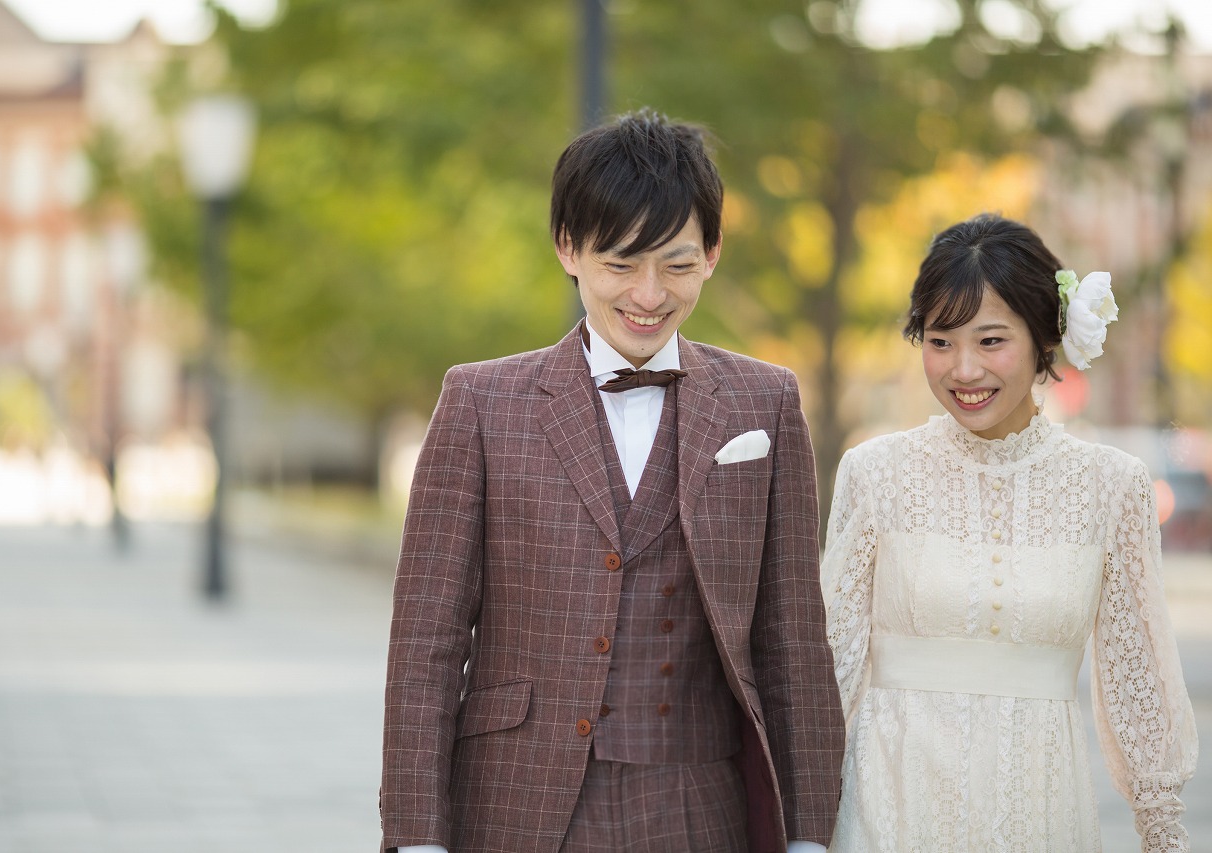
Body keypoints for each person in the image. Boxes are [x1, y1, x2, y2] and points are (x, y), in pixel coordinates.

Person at [380, 108, 845, 853]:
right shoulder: (478, 400)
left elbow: (791, 637)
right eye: (622, 264)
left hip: (700, 807)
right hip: (516, 800)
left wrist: (811, 833)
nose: (650, 294)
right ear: (569, 248)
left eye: (677, 264)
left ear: (714, 252)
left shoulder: (767, 402)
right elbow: (427, 640)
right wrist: (416, 836)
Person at [822, 213, 1198, 851]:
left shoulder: (1112, 485)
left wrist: (1160, 833)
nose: (963, 370)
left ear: (1043, 339)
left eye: (991, 340)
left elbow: (1137, 679)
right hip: (888, 807)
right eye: (940, 341)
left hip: (1040, 811)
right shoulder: (875, 472)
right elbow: (831, 663)